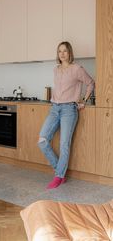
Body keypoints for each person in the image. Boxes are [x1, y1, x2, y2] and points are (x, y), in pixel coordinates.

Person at [38, 41, 95, 189]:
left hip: (69, 110)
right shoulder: (56, 69)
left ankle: (59, 176)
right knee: (42, 140)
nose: (62, 54)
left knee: (64, 144)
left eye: (65, 51)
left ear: (70, 52)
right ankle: (59, 169)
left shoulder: (77, 69)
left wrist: (84, 100)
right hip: (54, 108)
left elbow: (90, 83)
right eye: (59, 51)